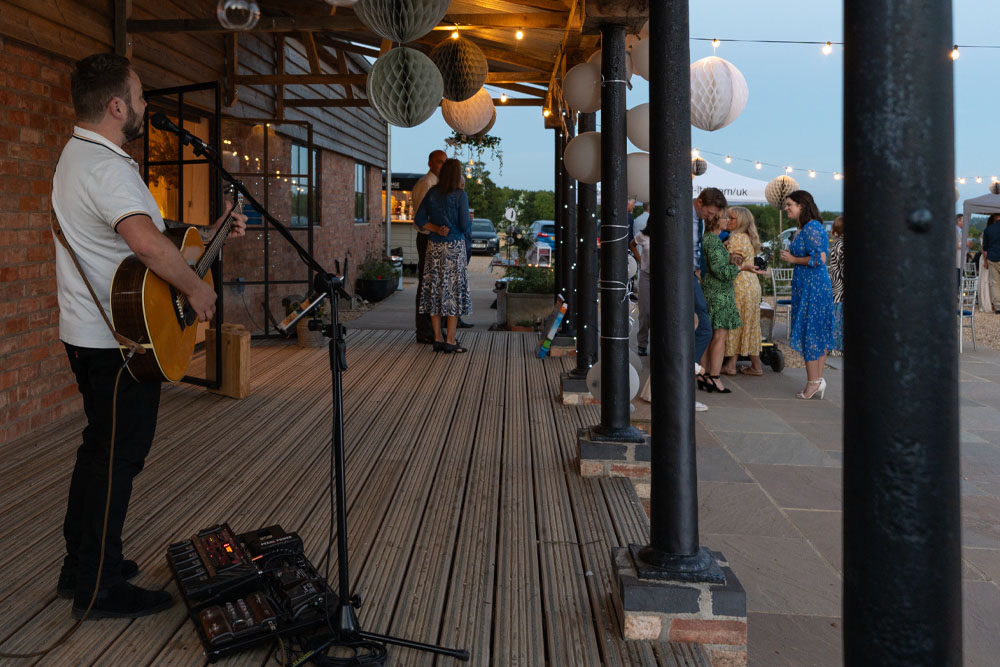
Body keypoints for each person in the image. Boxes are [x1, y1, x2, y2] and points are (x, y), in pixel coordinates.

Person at [52, 53, 246, 619]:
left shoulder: (78, 156)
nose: (144, 107)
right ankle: (98, 587)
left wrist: (209, 236)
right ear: (116, 106)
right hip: (118, 344)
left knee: (99, 452)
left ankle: (81, 566)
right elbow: (145, 244)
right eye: (138, 98)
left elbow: (147, 245)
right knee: (117, 458)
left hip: (93, 334)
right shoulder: (108, 167)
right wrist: (197, 289)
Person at [780, 190, 834, 399]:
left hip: (814, 288)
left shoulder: (812, 227)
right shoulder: (804, 227)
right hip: (809, 286)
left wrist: (793, 260)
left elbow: (820, 258)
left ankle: (813, 382)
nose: (787, 208)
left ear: (802, 205)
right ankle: (816, 381)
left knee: (811, 333)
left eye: (790, 205)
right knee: (815, 333)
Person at [414, 158, 472, 352]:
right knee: (452, 293)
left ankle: (437, 337)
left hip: (435, 248)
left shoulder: (432, 193)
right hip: (454, 248)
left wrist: (437, 228)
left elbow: (419, 219)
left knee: (435, 291)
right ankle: (450, 340)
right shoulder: (460, 195)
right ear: (457, 175)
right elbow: (464, 225)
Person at [697, 207, 742, 393]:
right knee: (719, 336)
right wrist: (742, 268)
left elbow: (714, 265)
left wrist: (729, 258)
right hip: (719, 293)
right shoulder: (713, 241)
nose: (727, 220)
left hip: (712, 291)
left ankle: (704, 374)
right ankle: (714, 377)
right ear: (716, 220)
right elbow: (720, 272)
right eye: (724, 217)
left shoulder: (708, 239)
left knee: (710, 335)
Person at [721, 207, 767, 376]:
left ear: (740, 221)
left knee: (735, 324)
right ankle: (755, 366)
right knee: (750, 325)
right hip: (752, 285)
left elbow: (734, 265)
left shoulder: (738, 238)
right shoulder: (748, 237)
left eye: (731, 218)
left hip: (739, 284)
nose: (727, 220)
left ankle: (732, 366)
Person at [411, 149, 448, 343]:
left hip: (436, 239)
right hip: (427, 238)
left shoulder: (439, 185)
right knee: (426, 284)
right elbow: (420, 219)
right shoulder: (425, 185)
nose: (443, 165)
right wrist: (438, 229)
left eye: (445, 162)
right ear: (430, 164)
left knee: (436, 285)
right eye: (440, 162)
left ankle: (435, 329)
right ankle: (424, 330)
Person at [827, 216, 845, 354]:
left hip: (835, 285)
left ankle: (834, 346)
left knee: (836, 316)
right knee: (839, 318)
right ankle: (838, 347)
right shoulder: (842, 244)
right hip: (841, 287)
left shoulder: (837, 243)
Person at [982, 212, 1000, 313]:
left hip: (992, 258)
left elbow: (985, 248)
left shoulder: (988, 229)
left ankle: (998, 307)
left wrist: (985, 261)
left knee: (995, 283)